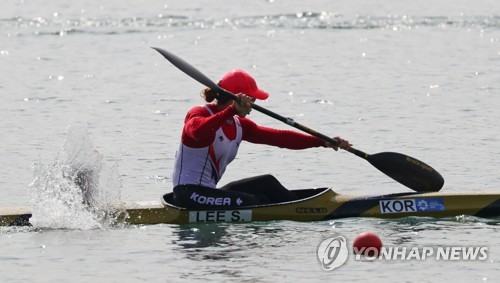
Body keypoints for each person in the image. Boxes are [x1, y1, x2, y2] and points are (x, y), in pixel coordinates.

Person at [170, 69, 352, 209]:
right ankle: (294, 213)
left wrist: (321, 141)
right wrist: (232, 110)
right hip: (188, 195)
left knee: (267, 183)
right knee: (253, 201)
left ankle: (303, 209)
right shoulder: (199, 114)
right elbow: (197, 132)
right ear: (240, 99)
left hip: (209, 194)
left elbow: (280, 138)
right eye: (253, 101)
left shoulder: (239, 125)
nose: (253, 107)